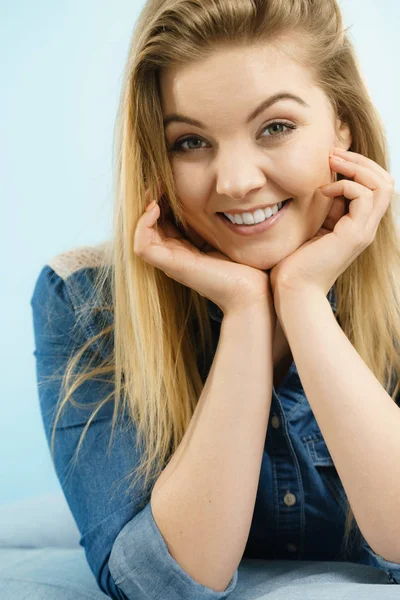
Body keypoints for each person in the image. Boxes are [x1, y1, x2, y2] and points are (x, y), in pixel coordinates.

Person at [27, 0, 400, 598]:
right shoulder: (83, 299)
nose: (233, 181)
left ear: (342, 126)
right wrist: (247, 312)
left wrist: (302, 298)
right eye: (190, 141)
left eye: (275, 127)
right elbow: (157, 586)